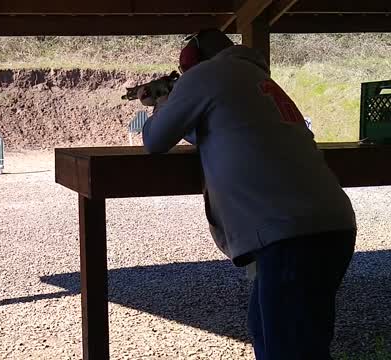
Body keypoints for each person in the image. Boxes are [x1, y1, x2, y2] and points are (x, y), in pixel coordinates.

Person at [137, 29, 357, 360]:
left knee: (288, 349)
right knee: (273, 335)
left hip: (290, 234)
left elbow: (154, 139)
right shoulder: (254, 79)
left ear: (193, 64)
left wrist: (160, 105)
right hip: (327, 225)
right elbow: (220, 132)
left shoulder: (206, 76)